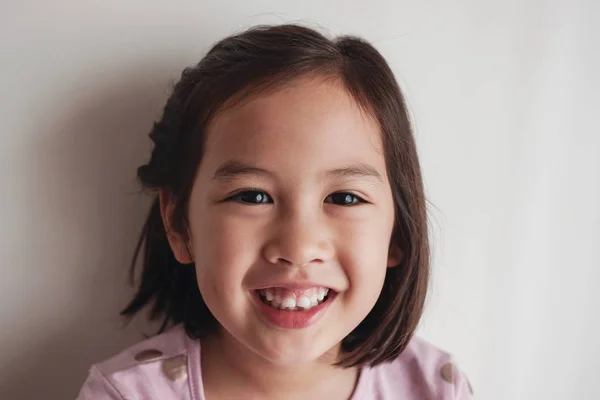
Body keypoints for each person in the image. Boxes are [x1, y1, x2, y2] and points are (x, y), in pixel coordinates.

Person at [76, 23, 473, 400]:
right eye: (252, 196)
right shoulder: (128, 394)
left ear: (398, 232)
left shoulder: (434, 389)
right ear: (180, 225)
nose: (298, 247)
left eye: (345, 198)